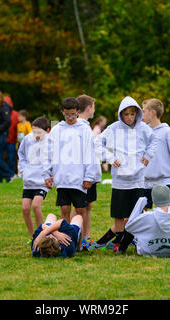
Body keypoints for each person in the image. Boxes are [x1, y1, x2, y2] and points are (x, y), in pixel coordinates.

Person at [91, 96, 157, 252]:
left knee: (138, 213)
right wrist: (109, 158)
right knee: (120, 215)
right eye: (126, 114)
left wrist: (147, 156)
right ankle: (119, 244)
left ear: (137, 114)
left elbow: (154, 142)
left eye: (132, 114)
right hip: (120, 180)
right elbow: (96, 143)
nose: (129, 117)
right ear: (121, 114)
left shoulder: (144, 128)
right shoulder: (113, 128)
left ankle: (135, 241)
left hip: (138, 180)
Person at [43, 97, 98, 226]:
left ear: (78, 112)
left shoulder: (84, 129)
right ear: (62, 112)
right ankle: (66, 239)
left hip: (78, 178)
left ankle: (79, 238)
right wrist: (47, 174)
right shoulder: (57, 129)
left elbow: (90, 153)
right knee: (64, 209)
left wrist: (89, 176)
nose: (70, 117)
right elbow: (49, 153)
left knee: (80, 209)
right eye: (67, 114)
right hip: (62, 177)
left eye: (73, 114)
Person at [71, 94, 102, 246]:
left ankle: (86, 237)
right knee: (79, 207)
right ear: (89, 108)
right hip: (83, 175)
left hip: (87, 174)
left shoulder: (85, 126)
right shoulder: (81, 127)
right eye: (93, 107)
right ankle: (75, 236)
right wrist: (90, 175)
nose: (94, 111)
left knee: (87, 206)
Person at [18, 116, 50, 238]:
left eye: (39, 132)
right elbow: (21, 154)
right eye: (33, 131)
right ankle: (33, 236)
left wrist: (50, 175)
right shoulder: (27, 139)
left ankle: (42, 235)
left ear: (47, 131)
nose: (35, 135)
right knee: (25, 209)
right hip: (29, 181)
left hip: (42, 182)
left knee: (36, 206)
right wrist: (23, 169)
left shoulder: (50, 142)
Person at [5, 96, 18, 180]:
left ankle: (11, 174)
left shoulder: (15, 114)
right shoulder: (1, 112)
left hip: (12, 140)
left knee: (11, 159)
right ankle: (6, 174)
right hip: (2, 140)